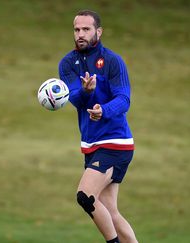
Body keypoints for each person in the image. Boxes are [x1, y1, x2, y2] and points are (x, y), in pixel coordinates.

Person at [58, 10, 138, 243]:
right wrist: (86, 91)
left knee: (85, 196)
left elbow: (124, 99)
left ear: (98, 32)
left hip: (115, 143)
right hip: (91, 144)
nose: (80, 34)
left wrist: (104, 110)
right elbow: (74, 98)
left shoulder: (113, 61)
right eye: (76, 29)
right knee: (110, 212)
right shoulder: (67, 64)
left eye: (86, 29)